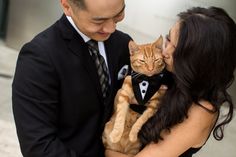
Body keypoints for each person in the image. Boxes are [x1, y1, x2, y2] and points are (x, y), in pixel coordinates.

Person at [106, 6, 236, 157]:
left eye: (178, 51)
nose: (165, 52)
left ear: (200, 63)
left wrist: (108, 150)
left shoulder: (202, 111)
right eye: (168, 40)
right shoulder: (165, 72)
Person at [12, 0, 132, 156]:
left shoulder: (123, 44)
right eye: (99, 21)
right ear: (67, 6)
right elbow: (39, 145)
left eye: (118, 15)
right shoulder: (40, 57)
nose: (111, 28)